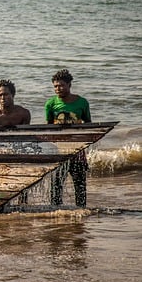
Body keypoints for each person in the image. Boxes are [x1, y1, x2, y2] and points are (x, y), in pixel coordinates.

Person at [44, 69, 92, 207]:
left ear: (69, 85)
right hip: (59, 152)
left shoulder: (82, 102)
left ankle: (81, 215)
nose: (58, 89)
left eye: (61, 85)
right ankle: (56, 214)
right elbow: (48, 128)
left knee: (80, 188)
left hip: (78, 151)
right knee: (56, 188)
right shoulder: (50, 104)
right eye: (55, 86)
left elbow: (89, 126)